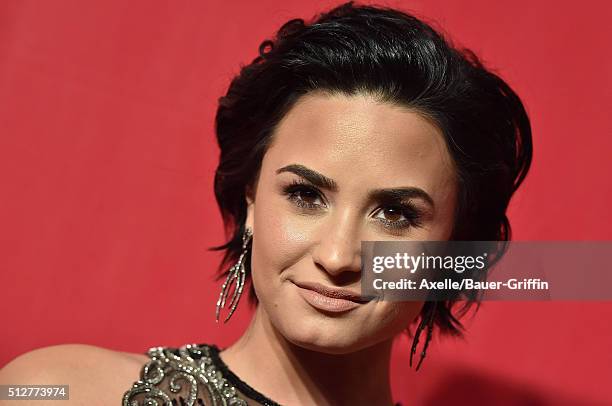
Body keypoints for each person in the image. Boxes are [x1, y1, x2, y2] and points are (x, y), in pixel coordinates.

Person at [0, 2, 532, 405]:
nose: (339, 256)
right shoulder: (58, 392)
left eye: (395, 214)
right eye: (305, 195)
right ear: (251, 198)